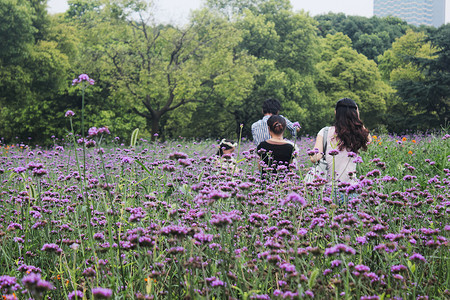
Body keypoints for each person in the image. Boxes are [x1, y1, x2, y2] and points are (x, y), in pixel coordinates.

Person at [310, 98, 372, 186]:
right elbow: (369, 140)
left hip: (329, 190)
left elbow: (314, 158)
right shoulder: (357, 134)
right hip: (351, 188)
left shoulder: (324, 132)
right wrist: (357, 117)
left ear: (336, 113)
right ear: (355, 113)